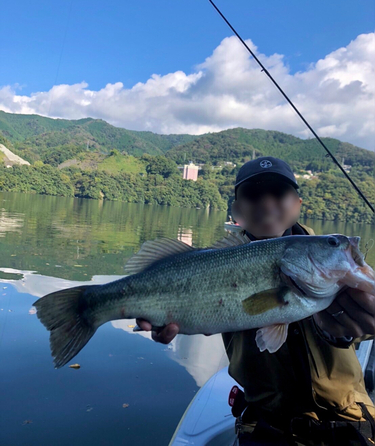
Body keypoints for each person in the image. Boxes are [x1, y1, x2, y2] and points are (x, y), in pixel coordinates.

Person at [137, 156, 375, 445]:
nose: (266, 202)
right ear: (237, 210)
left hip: (350, 421)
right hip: (264, 425)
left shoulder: (334, 260)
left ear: (298, 204)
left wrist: (356, 327)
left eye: (278, 192)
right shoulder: (222, 260)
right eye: (253, 194)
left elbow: (364, 328)